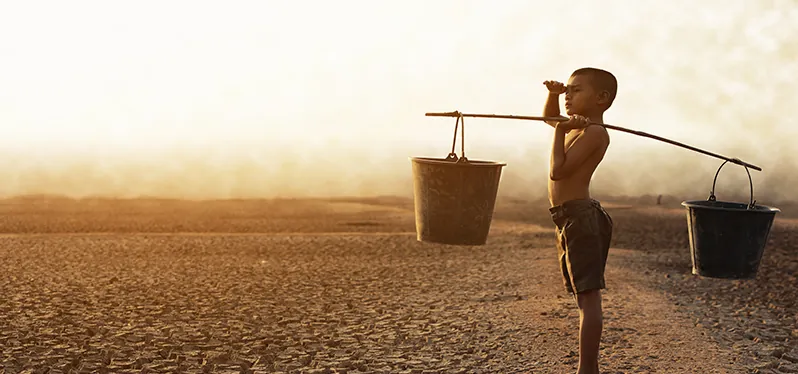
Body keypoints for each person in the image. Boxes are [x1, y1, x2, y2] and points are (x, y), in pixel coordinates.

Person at [542, 67, 616, 374]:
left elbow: (557, 171)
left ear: (601, 99)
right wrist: (553, 96)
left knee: (588, 299)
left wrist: (561, 130)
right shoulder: (578, 128)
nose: (568, 96)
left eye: (576, 90)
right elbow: (550, 119)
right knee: (583, 298)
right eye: (567, 90)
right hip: (569, 218)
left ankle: (588, 369)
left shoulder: (594, 133)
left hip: (580, 218)